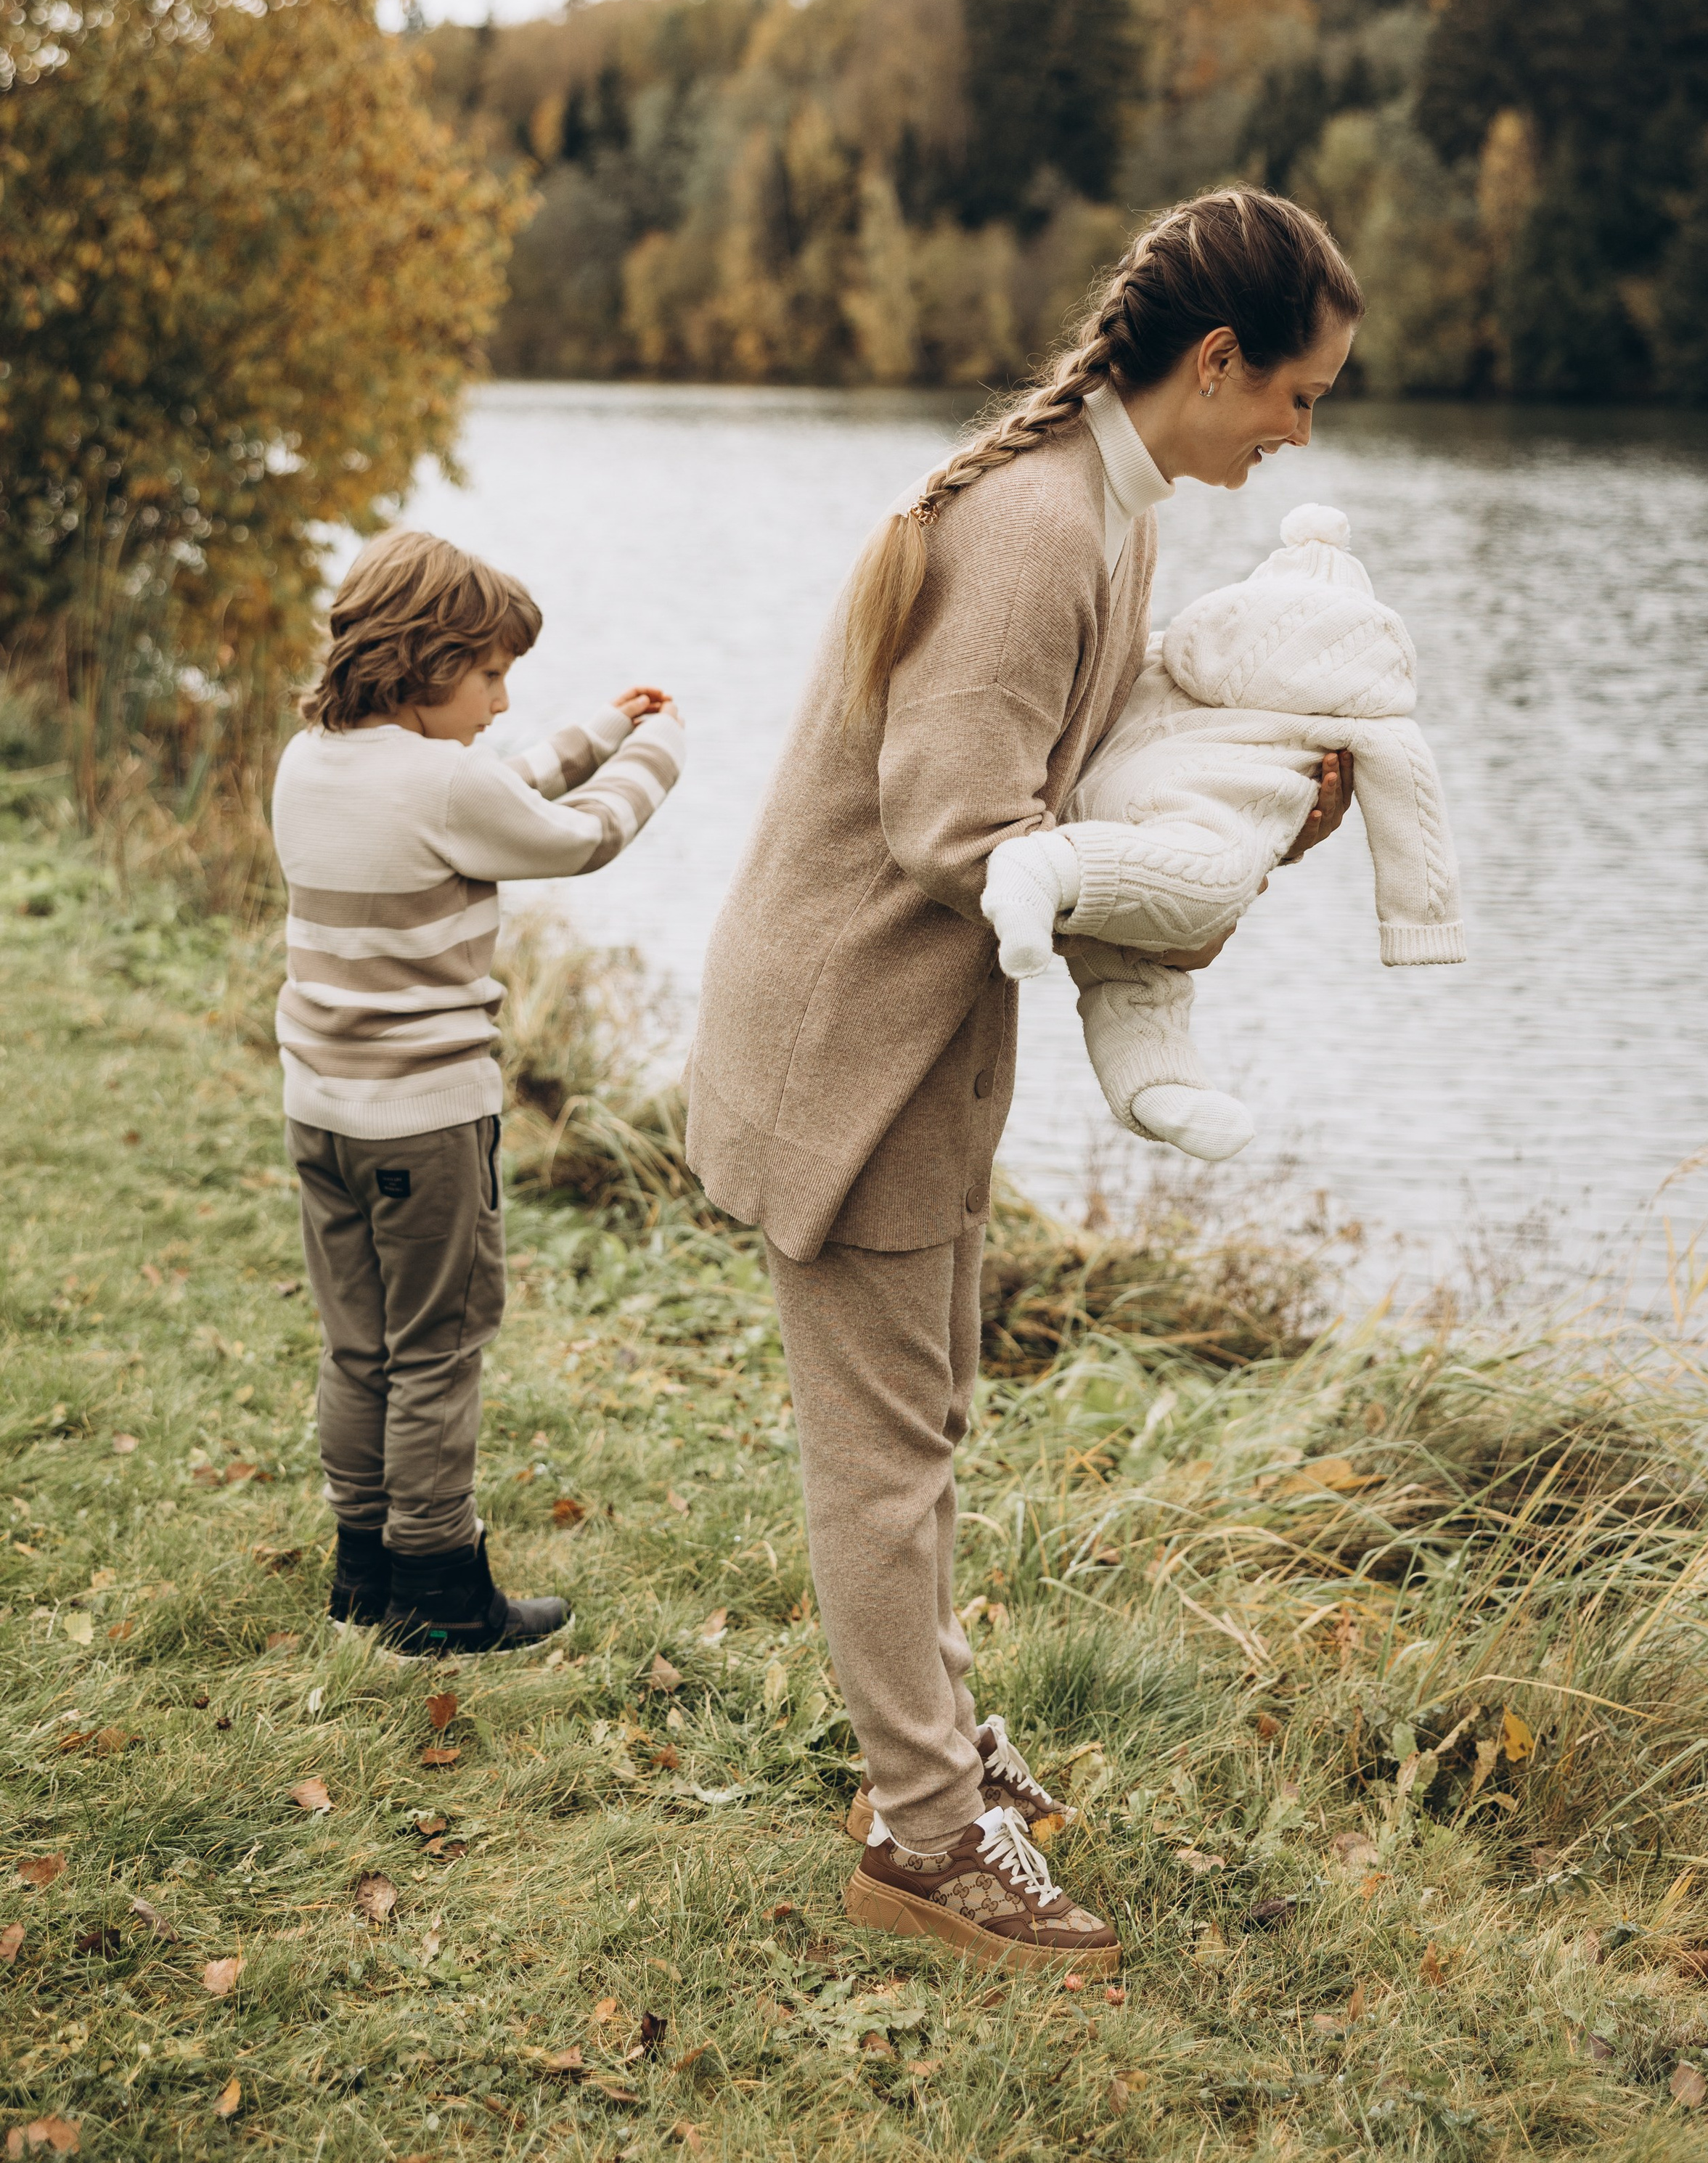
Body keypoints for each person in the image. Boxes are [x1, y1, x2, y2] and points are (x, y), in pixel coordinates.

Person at [685, 186, 1362, 1973]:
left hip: (915, 1040)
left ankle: (937, 1752)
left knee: (922, 1424)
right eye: (1297, 391)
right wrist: (1196, 879)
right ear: (1214, 363)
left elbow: (1094, 787)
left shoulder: (1109, 511)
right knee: (884, 1456)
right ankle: (921, 1835)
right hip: (854, 1051)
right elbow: (955, 825)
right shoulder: (1044, 526)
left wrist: (1251, 820)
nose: (1302, 429)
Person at [271, 529, 684, 1654]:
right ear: (424, 659)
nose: (504, 700)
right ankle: (443, 1590)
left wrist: (597, 729)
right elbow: (575, 837)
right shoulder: (443, 780)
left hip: (323, 1110)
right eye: (491, 673)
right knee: (440, 1347)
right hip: (426, 1122)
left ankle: (365, 1569)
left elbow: (485, 794)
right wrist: (658, 753)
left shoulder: (311, 758)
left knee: (359, 1342)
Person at [981, 499, 1466, 1164]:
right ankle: (1042, 872)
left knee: (1132, 964)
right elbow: (1411, 797)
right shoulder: (1364, 697)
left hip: (1093, 803)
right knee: (1214, 881)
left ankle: (1159, 1084)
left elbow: (1117, 690)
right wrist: (1421, 924)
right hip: (1187, 824)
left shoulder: (1177, 649)